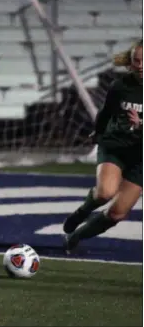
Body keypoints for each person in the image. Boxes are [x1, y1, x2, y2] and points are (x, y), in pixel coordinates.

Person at [63, 40, 142, 251]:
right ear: (131, 63)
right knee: (105, 193)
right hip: (115, 146)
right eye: (136, 61)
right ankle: (82, 211)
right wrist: (97, 133)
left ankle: (78, 235)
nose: (141, 65)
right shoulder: (121, 86)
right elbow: (106, 113)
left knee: (117, 213)